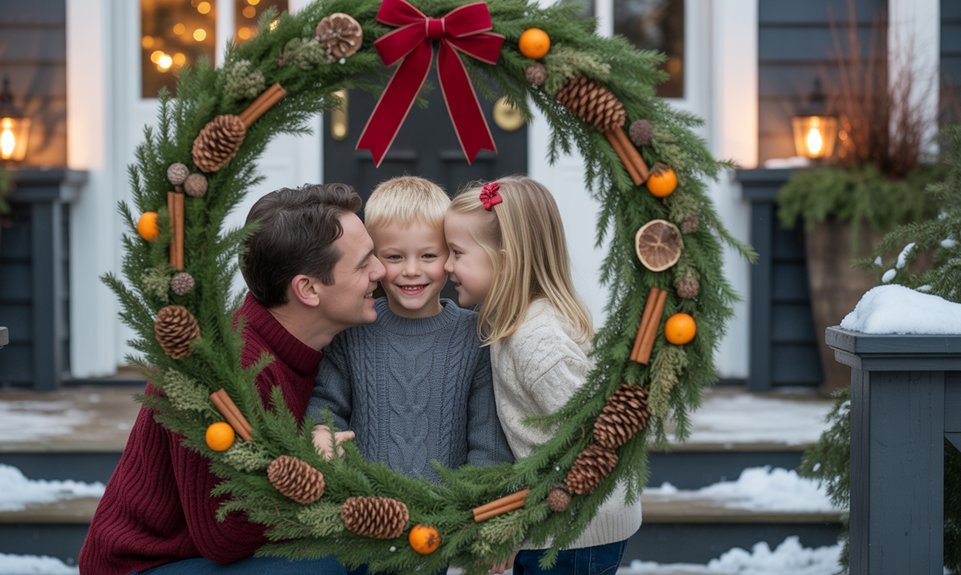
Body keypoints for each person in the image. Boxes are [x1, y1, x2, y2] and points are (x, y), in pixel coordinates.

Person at [79, 183, 385, 575]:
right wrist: (313, 468)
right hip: (152, 564)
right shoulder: (223, 369)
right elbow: (225, 534)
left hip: (221, 556)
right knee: (324, 566)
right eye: (364, 264)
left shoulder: (328, 345)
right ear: (308, 289)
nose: (382, 270)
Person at [307, 176, 514, 575]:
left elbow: (487, 441)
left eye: (429, 256)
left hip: (440, 531)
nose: (412, 272)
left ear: (449, 257)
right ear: (373, 261)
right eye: (395, 257)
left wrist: (486, 516)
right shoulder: (354, 331)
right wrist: (320, 431)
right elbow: (326, 404)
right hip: (362, 522)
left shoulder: (473, 336)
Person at [443, 176, 642, 574]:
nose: (447, 266)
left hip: (574, 533)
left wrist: (518, 521)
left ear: (504, 256)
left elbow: (591, 442)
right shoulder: (511, 324)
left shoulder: (537, 341)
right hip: (561, 526)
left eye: (456, 253)